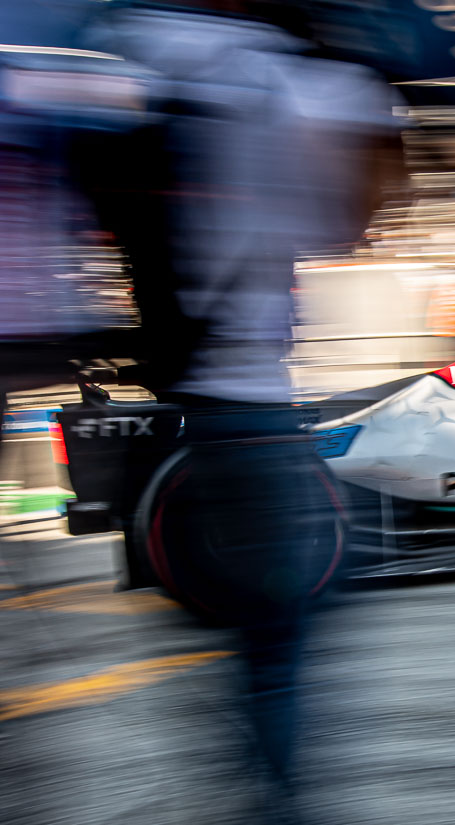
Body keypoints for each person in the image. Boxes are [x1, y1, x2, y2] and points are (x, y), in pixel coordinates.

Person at [68, 2, 404, 820]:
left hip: (180, 417)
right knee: (282, 642)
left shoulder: (123, 54)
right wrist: (361, 69)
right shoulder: (285, 76)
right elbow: (363, 213)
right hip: (250, 405)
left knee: (244, 639)